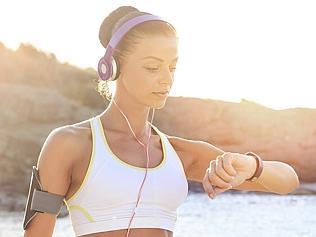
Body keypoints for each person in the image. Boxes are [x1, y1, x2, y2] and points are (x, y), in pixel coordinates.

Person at [23, 5, 300, 237]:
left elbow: (288, 181)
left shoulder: (179, 154)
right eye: (152, 67)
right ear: (113, 67)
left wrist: (251, 165)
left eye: (172, 67)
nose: (167, 79)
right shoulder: (69, 144)